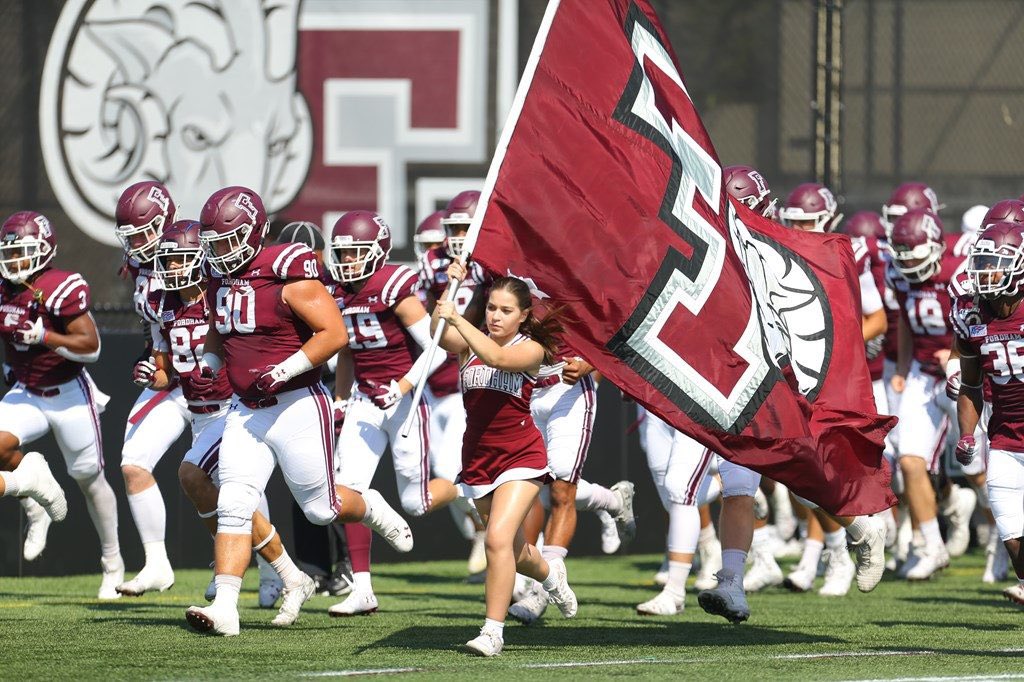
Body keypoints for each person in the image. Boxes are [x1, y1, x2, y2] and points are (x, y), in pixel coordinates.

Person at [183, 187, 412, 637]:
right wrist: (210, 364)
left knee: (321, 509)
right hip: (247, 409)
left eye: (228, 241)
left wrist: (284, 368)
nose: (220, 252)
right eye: (214, 243)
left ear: (254, 233)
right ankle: (227, 608)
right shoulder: (217, 277)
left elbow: (333, 335)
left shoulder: (286, 270)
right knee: (233, 501)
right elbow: (219, 330)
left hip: (298, 405)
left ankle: (370, 505)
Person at [141, 219, 313, 624]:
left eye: (180, 259)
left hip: (232, 408)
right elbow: (167, 370)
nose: (172, 268)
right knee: (203, 485)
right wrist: (154, 373)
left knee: (204, 480)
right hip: (198, 411)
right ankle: (288, 575)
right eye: (166, 260)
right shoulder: (163, 302)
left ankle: (250, 578)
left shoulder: (222, 292)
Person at [326, 210, 469, 617]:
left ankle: (466, 489)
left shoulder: (395, 287)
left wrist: (402, 387)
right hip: (366, 401)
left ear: (377, 251)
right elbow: (347, 353)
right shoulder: (336, 291)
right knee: (346, 492)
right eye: (343, 253)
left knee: (416, 502)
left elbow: (439, 349)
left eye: (356, 252)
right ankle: (362, 589)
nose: (348, 261)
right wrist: (340, 398)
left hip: (406, 403)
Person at [433, 263, 577, 657]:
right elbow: (438, 334)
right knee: (514, 551)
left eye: (506, 310)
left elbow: (495, 358)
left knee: (495, 538)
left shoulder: (530, 348)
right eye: (492, 308)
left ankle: (492, 632)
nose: (495, 316)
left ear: (525, 315)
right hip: (478, 458)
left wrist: (458, 318)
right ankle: (551, 574)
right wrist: (451, 285)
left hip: (521, 455)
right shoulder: (468, 342)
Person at [0, 211, 123, 598]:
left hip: (68, 392)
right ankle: (35, 500)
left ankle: (113, 563)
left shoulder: (60, 286)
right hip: (27, 390)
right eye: (10, 252)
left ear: (45, 250)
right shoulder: (4, 288)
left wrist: (46, 336)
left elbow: (91, 347)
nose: (14, 261)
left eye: (23, 252)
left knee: (89, 480)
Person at [112, 181, 191, 597]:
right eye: (131, 236)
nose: (138, 244)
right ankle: (156, 563)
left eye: (144, 233)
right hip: (172, 378)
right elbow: (158, 329)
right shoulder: (141, 266)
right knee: (133, 463)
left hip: (213, 382)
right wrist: (154, 364)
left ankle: (273, 574)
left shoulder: (198, 250)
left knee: (232, 481)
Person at [275, 221, 353, 597]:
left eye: (307, 256)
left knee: (333, 479)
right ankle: (313, 567)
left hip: (333, 388)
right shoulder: (272, 290)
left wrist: (345, 394)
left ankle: (349, 564)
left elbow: (347, 343)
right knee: (299, 479)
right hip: (295, 390)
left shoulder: (340, 288)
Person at [952, 221, 1024, 605]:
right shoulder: (971, 314)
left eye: (994, 264)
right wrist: (968, 434)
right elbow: (971, 384)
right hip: (1004, 437)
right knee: (1011, 531)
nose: (984, 273)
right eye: (981, 263)